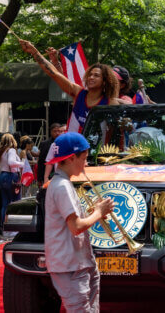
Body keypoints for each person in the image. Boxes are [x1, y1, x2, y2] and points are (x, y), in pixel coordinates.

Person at [44, 132, 115, 313]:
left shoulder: (62, 184)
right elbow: (76, 227)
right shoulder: (61, 186)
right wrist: (98, 212)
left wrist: (95, 212)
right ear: (71, 158)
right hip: (70, 264)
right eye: (83, 158)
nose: (86, 164)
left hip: (77, 262)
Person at [20, 40, 119, 134]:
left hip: (97, 150)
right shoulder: (78, 92)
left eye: (96, 75)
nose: (91, 77)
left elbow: (115, 131)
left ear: (105, 81)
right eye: (90, 74)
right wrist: (34, 52)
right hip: (72, 149)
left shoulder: (111, 103)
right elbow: (54, 74)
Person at [0, 133, 23, 230]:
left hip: (1, 176)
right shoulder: (11, 150)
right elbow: (11, 163)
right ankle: (14, 227)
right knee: (16, 202)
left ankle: (4, 227)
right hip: (10, 177)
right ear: (13, 140)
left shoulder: (0, 151)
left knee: (5, 203)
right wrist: (22, 164)